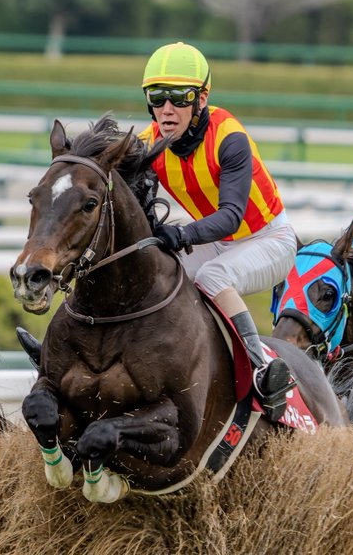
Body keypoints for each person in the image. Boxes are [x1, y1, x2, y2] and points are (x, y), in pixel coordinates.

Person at [137, 41, 297, 421]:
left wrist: (181, 234)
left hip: (269, 239)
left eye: (179, 97)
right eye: (157, 97)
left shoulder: (230, 138)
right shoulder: (148, 142)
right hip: (219, 241)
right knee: (158, 272)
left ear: (202, 98)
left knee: (212, 274)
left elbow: (230, 217)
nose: (166, 109)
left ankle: (262, 373)